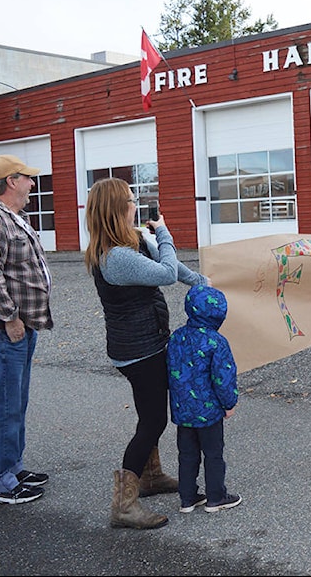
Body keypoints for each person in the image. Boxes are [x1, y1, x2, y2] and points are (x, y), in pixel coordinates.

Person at [84, 177, 208, 530]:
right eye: (130, 199)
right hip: (137, 351)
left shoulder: (134, 240)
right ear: (117, 208)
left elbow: (173, 268)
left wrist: (201, 281)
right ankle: (124, 504)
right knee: (153, 420)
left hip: (149, 343)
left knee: (149, 414)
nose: (135, 204)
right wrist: (165, 233)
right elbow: (166, 273)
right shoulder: (116, 257)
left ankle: (151, 476)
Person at [0, 154, 53, 506]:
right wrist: (10, 318)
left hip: (17, 329)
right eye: (28, 178)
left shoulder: (12, 217)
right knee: (3, 406)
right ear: (12, 181)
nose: (33, 184)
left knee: (14, 403)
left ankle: (12, 468)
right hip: (0, 331)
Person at [167, 284, 242, 514]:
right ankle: (215, 496)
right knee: (213, 454)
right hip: (209, 413)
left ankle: (188, 498)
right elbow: (223, 376)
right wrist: (229, 403)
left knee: (187, 455)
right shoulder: (216, 342)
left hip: (183, 411)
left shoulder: (177, 337)